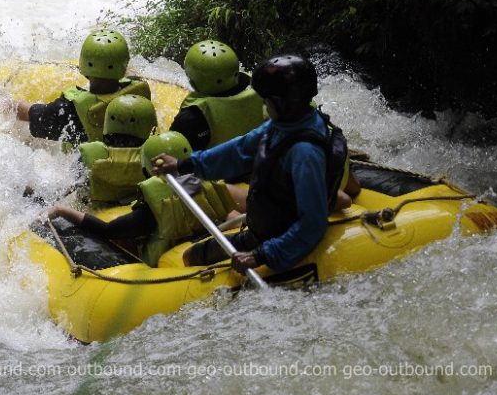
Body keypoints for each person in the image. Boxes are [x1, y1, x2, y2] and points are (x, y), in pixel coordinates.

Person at [151, 54, 357, 274]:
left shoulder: (304, 153)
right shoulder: (285, 125)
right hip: (267, 227)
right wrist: (184, 165)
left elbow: (312, 223)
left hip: (275, 238)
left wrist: (261, 255)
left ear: (281, 102)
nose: (264, 105)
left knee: (190, 257)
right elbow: (238, 151)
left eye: (267, 100)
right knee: (192, 254)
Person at [48, 131, 241, 267]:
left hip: (172, 263)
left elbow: (109, 231)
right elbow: (230, 214)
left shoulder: (153, 206)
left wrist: (64, 211)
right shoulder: (211, 181)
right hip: (209, 247)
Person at [13, 29, 151, 145]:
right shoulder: (139, 91)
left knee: (34, 143)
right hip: (138, 167)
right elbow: (131, 74)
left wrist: (2, 100)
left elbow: (25, 113)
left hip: (92, 174)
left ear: (83, 68)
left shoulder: (70, 109)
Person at [169, 39, 266, 151]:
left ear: (193, 80)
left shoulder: (192, 117)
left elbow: (170, 152)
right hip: (258, 162)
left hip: (216, 167)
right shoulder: (261, 89)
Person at [77, 94, 158, 205]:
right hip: (139, 212)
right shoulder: (156, 155)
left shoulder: (91, 153)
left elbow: (68, 187)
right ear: (149, 127)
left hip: (94, 214)